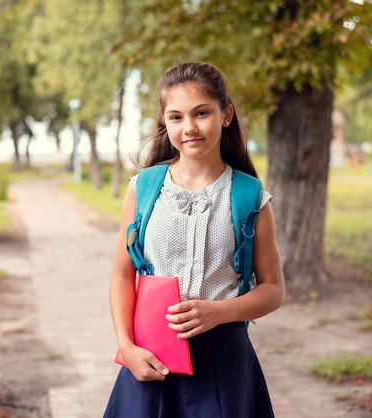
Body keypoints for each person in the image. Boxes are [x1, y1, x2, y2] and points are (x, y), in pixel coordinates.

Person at [104, 62, 286, 418]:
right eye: (176, 117)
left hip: (224, 364)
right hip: (150, 356)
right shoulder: (142, 188)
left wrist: (218, 312)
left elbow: (273, 289)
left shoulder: (250, 196)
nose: (189, 127)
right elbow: (122, 274)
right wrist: (126, 347)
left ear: (226, 114)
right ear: (165, 122)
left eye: (201, 113)